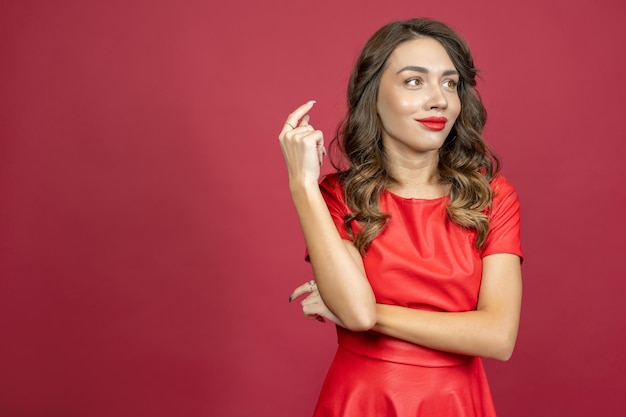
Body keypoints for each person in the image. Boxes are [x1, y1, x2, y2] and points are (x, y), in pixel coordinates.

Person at [278, 18, 522, 417]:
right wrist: (302, 184)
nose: (439, 99)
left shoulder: (492, 196)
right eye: (414, 81)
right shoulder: (337, 196)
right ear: (373, 96)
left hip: (456, 403)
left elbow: (498, 336)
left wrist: (372, 314)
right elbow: (354, 313)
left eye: (450, 83)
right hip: (363, 401)